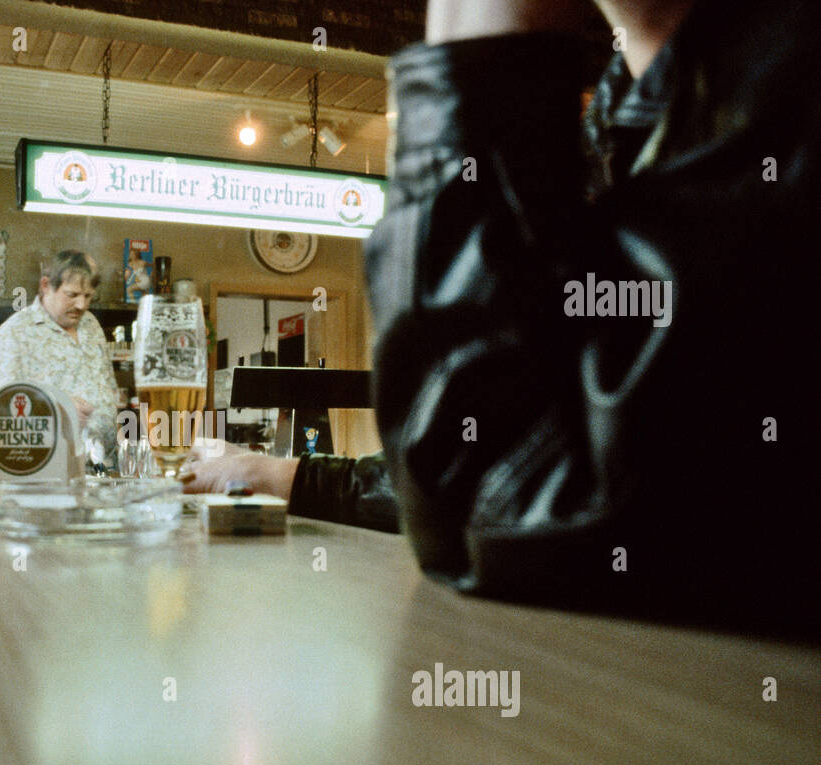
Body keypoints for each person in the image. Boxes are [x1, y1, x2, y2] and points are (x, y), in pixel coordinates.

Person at [185, 0, 818, 626]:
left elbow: (518, 508)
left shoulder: (783, 84)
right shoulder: (646, 104)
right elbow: (555, 454)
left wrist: (480, 38)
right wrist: (289, 475)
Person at [0, 250, 119, 457]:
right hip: (50, 470)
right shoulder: (14, 333)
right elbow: (5, 415)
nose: (82, 305)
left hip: (105, 464)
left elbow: (109, 387)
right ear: (45, 285)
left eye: (88, 296)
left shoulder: (91, 323)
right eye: (72, 295)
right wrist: (57, 409)